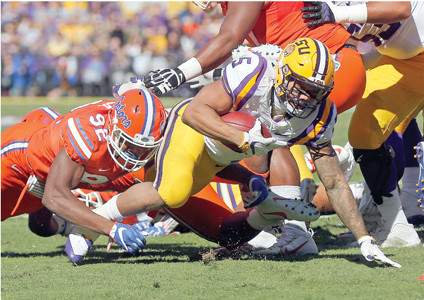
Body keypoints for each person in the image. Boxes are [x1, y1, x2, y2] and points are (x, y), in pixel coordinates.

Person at [106, 38, 399, 267]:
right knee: (171, 191)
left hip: (226, 161)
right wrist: (243, 138)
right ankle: (92, 222)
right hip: (196, 134)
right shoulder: (255, 71)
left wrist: (364, 239)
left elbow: (333, 182)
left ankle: (271, 209)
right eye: (301, 87)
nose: (307, 98)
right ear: (283, 73)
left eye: (316, 91)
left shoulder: (319, 114)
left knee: (225, 234)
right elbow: (194, 113)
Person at [302, 1, 424, 246]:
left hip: (410, 55)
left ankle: (400, 201)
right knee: (365, 132)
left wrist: (339, 13)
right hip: (404, 59)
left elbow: (400, 8)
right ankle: (395, 225)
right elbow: (380, 40)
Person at [1, 88, 167, 255]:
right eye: (130, 145)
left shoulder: (144, 124)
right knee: (40, 225)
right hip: (21, 162)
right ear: (113, 126)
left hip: (78, 166)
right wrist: (111, 228)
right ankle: (74, 214)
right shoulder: (87, 135)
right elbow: (53, 197)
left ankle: (172, 221)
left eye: (144, 148)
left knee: (161, 182)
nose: (136, 155)